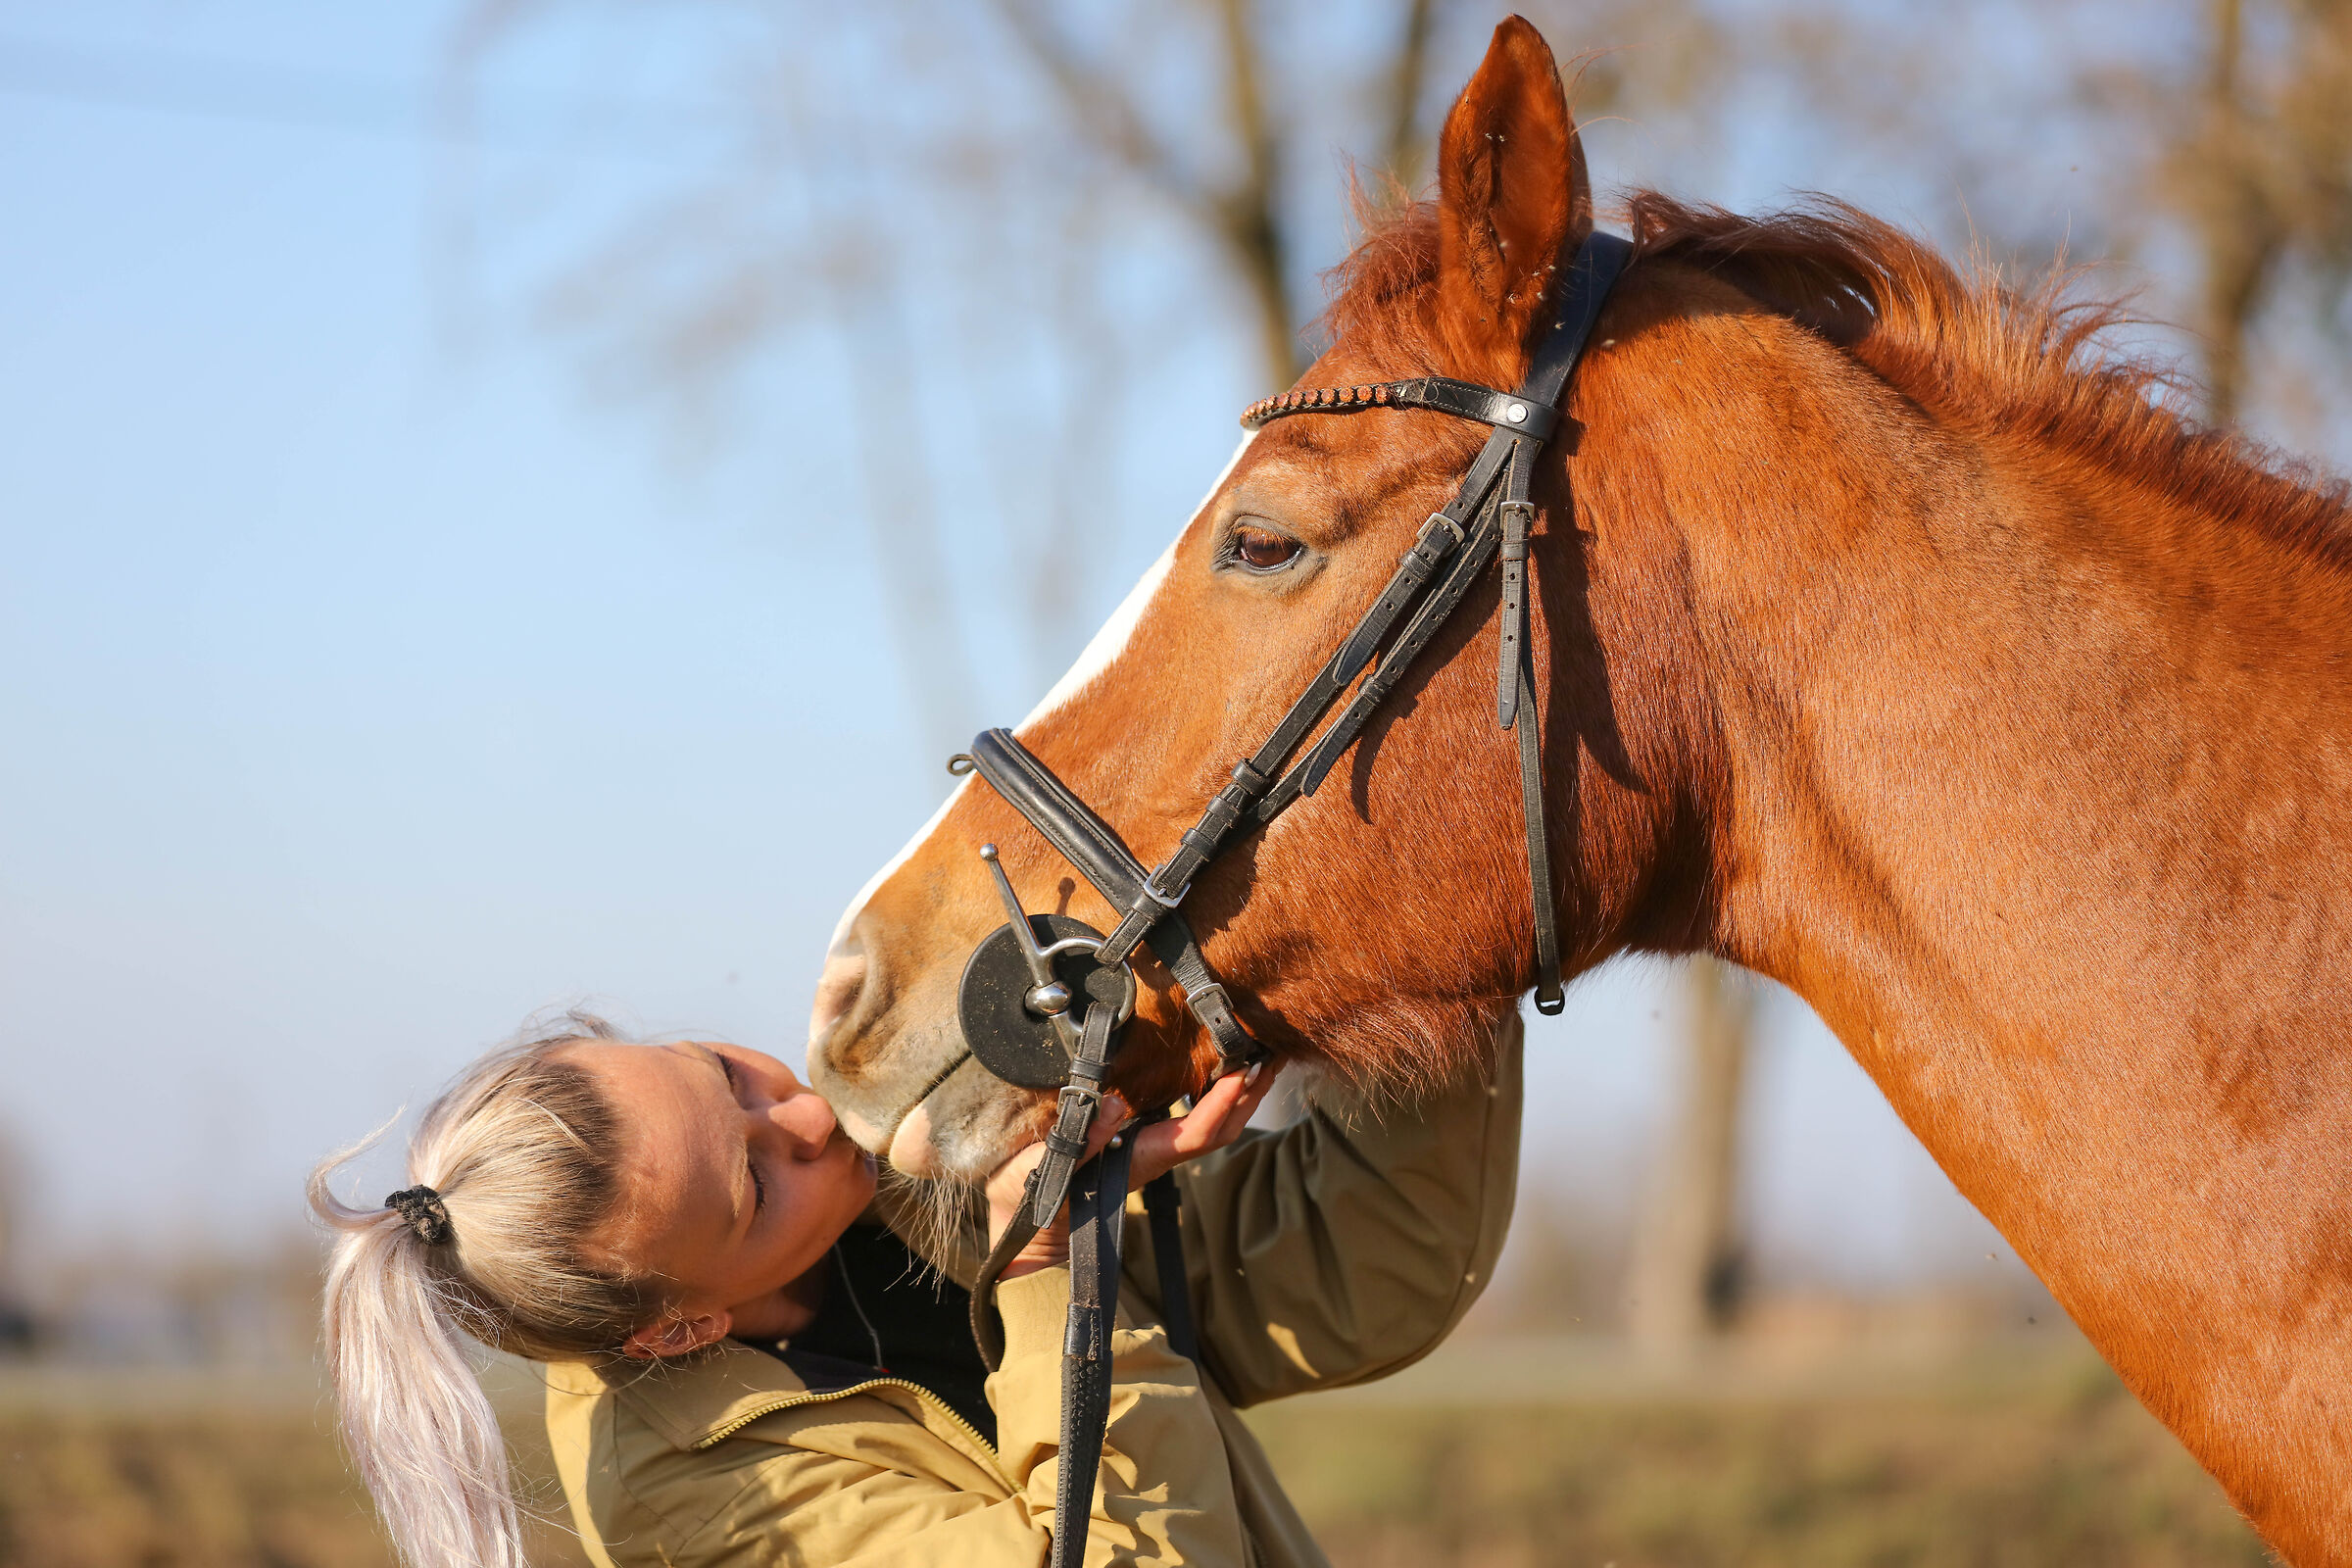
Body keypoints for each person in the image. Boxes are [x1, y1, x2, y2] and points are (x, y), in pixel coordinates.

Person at [311, 1009, 1524, 1568]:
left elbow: (1333, 1268)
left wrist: (1423, 950)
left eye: (725, 1070)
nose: (804, 1114)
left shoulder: (888, 1165)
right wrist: (1048, 1265)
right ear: (680, 1329)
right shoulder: (701, 1516)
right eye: (755, 1183)